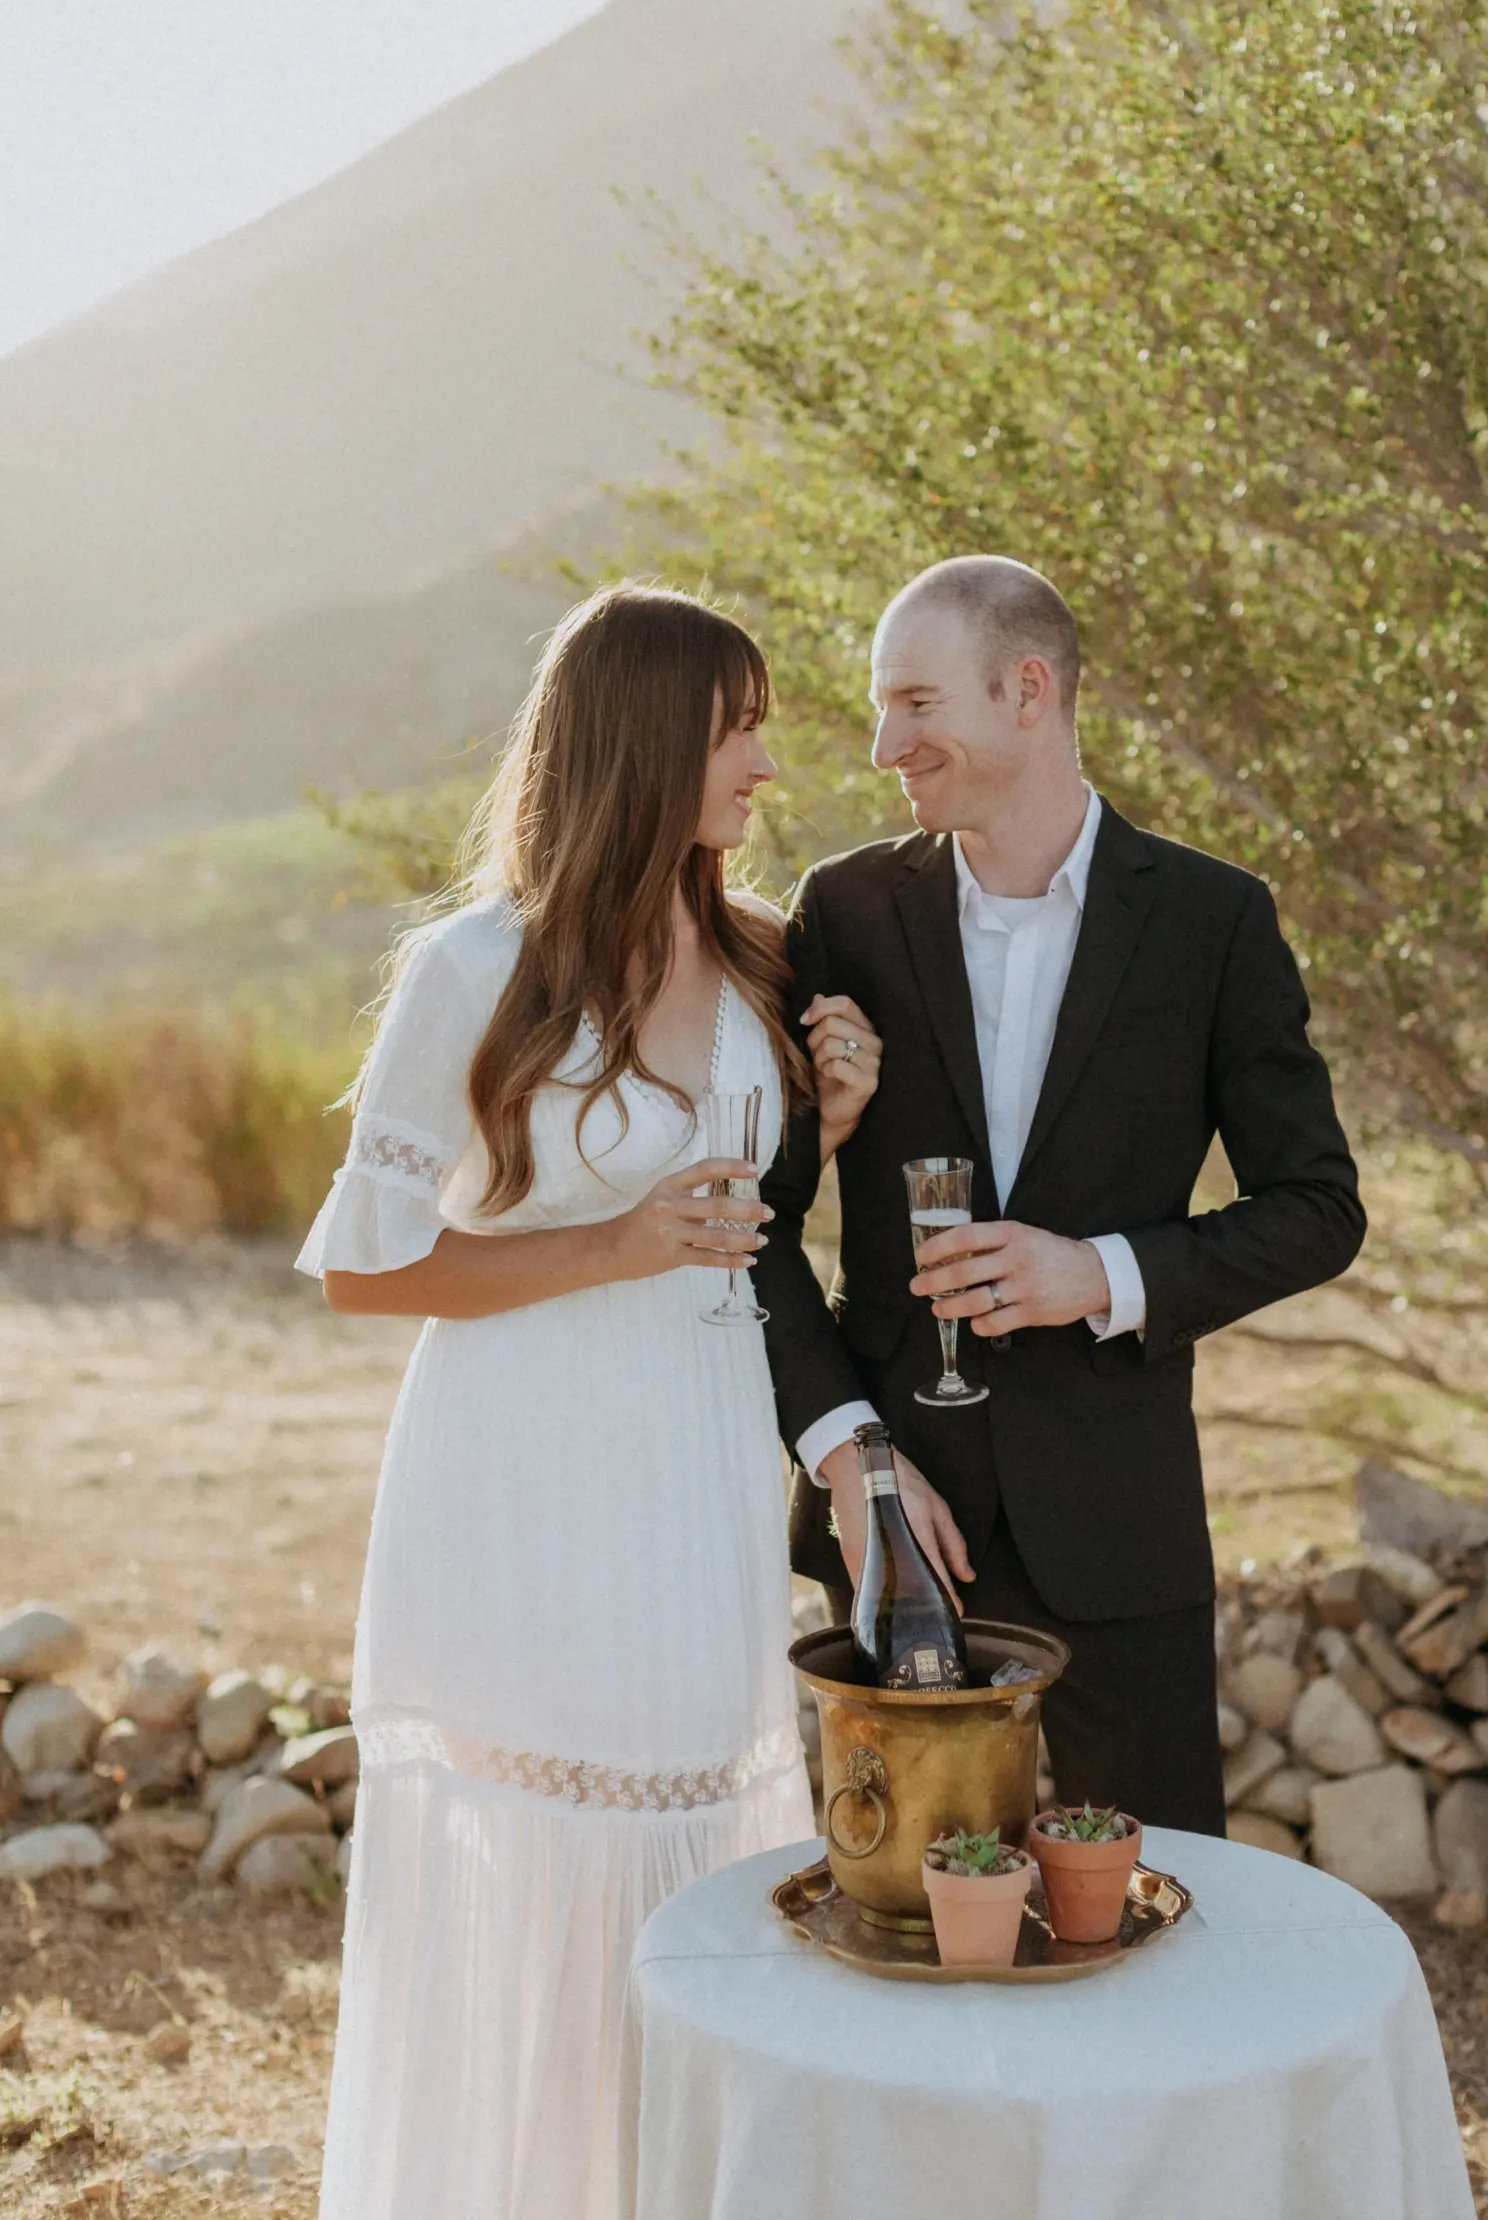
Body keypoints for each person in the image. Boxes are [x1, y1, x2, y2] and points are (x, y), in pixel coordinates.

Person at [296, 583, 881, 2220]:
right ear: (646, 740)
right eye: (737, 725)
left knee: (697, 1852)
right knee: (546, 1867)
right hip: (526, 1473)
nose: (765, 762)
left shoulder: (759, 954)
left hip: (693, 1468)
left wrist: (821, 1126)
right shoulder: (475, 969)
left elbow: (739, 1241)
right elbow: (364, 1268)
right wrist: (607, 1241)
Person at [758, 556, 1365, 1834]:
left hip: (1118, 1523)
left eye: (916, 704)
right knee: (903, 1913)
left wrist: (1104, 1274)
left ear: (1027, 689)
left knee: (1139, 1913)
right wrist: (849, 1461)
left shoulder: (1214, 921)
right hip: (899, 1520)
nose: (885, 746)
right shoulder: (846, 910)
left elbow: (1318, 1204)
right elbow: (762, 1216)